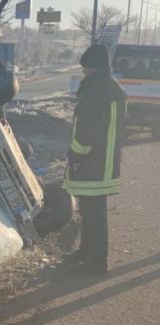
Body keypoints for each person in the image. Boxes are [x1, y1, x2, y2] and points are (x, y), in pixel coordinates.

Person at [63, 44, 127, 275]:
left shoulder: (96, 90)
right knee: (90, 211)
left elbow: (88, 128)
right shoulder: (109, 87)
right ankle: (86, 252)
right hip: (103, 160)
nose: (83, 72)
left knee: (93, 213)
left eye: (85, 67)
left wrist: (75, 152)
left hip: (93, 162)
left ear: (94, 67)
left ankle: (97, 260)